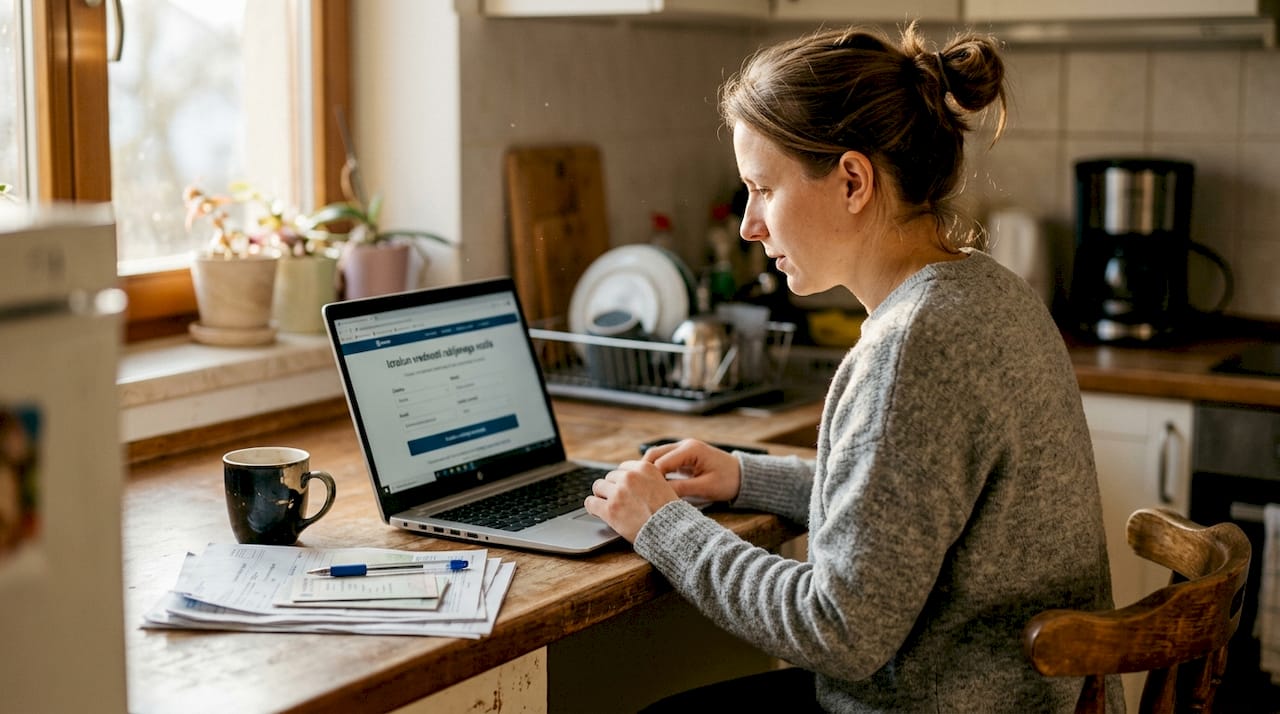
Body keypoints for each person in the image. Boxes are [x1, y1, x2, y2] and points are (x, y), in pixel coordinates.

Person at [581, 21, 1120, 713]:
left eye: (763, 189)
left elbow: (836, 629)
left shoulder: (912, 349)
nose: (750, 224)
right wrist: (748, 476)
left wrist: (663, 526)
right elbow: (907, 507)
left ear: (853, 181)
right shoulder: (986, 289)